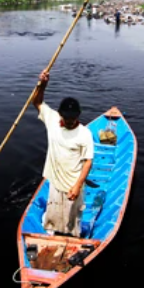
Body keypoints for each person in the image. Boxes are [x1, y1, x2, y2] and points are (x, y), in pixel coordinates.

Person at [32, 69, 94, 237]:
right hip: (55, 179)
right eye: (66, 118)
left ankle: (73, 235)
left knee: (73, 221)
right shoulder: (52, 119)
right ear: (60, 114)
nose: (69, 121)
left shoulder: (84, 133)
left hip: (73, 182)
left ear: (78, 116)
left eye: (72, 119)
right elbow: (37, 102)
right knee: (52, 214)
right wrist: (42, 85)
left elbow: (88, 161)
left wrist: (78, 185)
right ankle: (50, 231)